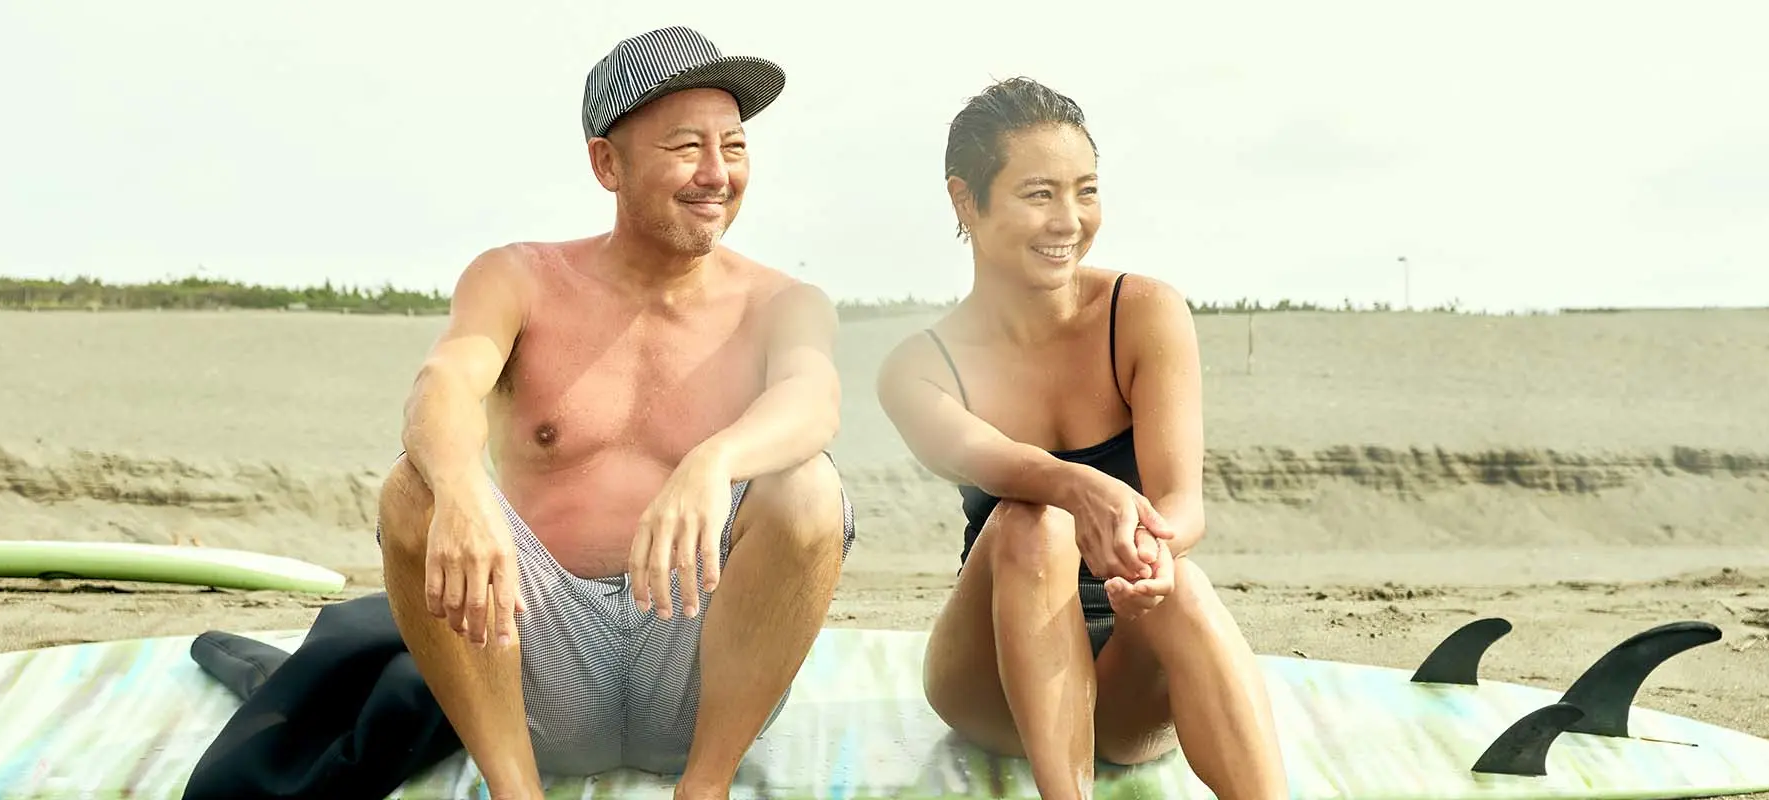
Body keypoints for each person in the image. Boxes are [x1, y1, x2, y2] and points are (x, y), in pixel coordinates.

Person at [375, 25, 853, 799]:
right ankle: (515, 788)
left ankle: (707, 785)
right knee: (414, 488)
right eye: (683, 147)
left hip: (697, 665)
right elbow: (444, 384)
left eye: (732, 146)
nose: (715, 174)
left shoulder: (782, 302)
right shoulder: (519, 277)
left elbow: (814, 397)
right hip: (535, 654)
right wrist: (460, 491)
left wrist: (712, 460)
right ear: (607, 162)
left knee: (806, 486)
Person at [872, 77, 1290, 799]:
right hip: (994, 675)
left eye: (1085, 190)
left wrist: (1158, 550)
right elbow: (993, 461)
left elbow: (1184, 505)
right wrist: (1082, 485)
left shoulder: (1145, 312)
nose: (1069, 220)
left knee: (1185, 588)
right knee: (1028, 521)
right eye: (1039, 194)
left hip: (1125, 675)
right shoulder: (919, 368)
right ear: (966, 201)